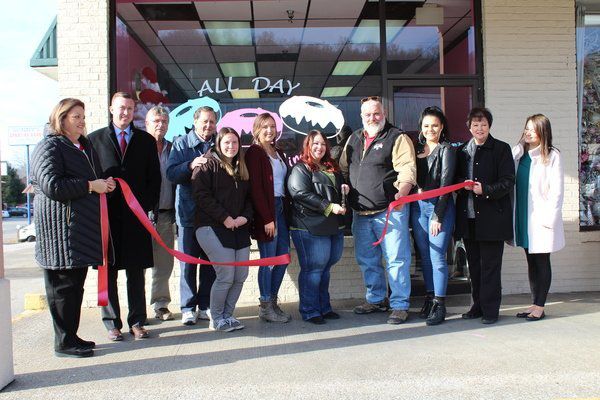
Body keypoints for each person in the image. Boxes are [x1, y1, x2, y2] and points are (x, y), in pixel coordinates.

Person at [31, 98, 116, 357]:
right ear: (61, 117)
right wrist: (91, 185)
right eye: (75, 116)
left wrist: (104, 183)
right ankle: (64, 343)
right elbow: (52, 185)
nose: (81, 121)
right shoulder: (50, 146)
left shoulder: (84, 146)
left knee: (75, 288)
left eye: (83, 116)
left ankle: (71, 336)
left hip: (80, 232)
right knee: (63, 289)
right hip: (60, 234)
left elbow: (92, 178)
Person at [88, 92, 161, 340]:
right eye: (121, 108)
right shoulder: (93, 140)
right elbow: (89, 179)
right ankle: (112, 323)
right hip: (106, 218)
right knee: (107, 271)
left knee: (135, 272)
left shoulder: (146, 141)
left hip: (135, 218)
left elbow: (155, 180)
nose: (125, 113)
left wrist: (145, 207)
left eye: (130, 109)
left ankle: (137, 321)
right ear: (111, 109)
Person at [340, 96, 416, 325]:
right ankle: (375, 299)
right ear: (361, 116)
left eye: (377, 113)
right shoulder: (353, 138)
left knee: (396, 259)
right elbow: (344, 168)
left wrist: (403, 192)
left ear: (384, 114)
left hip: (389, 212)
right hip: (360, 213)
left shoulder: (397, 137)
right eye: (368, 114)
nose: (372, 118)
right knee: (367, 259)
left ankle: (400, 305)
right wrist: (342, 185)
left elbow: (407, 169)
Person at [455, 107, 515, 325]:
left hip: (492, 219)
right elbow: (455, 180)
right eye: (475, 125)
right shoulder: (462, 150)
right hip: (468, 219)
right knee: (475, 267)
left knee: (490, 267)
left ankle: (491, 310)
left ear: (489, 126)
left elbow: (508, 181)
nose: (479, 129)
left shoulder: (500, 149)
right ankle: (477, 306)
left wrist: (486, 190)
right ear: (469, 127)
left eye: (483, 125)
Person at [192, 127, 253, 332]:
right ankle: (216, 317)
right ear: (218, 143)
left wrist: (244, 218)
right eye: (227, 142)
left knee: (240, 275)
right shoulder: (207, 164)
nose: (231, 146)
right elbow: (201, 196)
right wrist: (225, 218)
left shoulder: (241, 167)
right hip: (211, 227)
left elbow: (248, 199)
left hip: (238, 229)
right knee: (226, 274)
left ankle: (228, 315)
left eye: (235, 142)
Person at [287, 130, 349, 324]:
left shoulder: (331, 167)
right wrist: (329, 206)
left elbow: (333, 191)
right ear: (307, 145)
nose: (319, 147)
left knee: (325, 268)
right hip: (309, 226)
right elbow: (299, 192)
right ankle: (310, 310)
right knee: (313, 270)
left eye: (322, 144)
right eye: (315, 143)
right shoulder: (300, 168)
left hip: (332, 226)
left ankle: (324, 307)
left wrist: (344, 187)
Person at [511, 114, 564, 321]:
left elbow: (557, 191)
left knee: (541, 261)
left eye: (533, 129)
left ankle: (540, 306)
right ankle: (534, 304)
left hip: (541, 217)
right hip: (523, 215)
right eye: (526, 128)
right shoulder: (519, 153)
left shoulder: (552, 155)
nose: (528, 132)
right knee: (531, 261)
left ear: (543, 131)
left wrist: (551, 218)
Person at [167, 106, 217, 325]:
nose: (208, 126)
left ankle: (205, 305)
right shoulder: (181, 143)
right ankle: (188, 307)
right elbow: (171, 174)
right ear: (195, 122)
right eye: (204, 121)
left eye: (212, 122)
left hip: (213, 215)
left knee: (209, 262)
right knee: (188, 262)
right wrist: (189, 165)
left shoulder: (219, 143)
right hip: (187, 214)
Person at [410, 107, 457, 326]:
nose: (431, 129)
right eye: (427, 125)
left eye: (435, 125)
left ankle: (440, 304)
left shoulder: (446, 149)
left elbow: (446, 184)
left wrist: (438, 215)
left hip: (440, 208)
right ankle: (429, 297)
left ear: (442, 127)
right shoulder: (415, 149)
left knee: (437, 255)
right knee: (425, 257)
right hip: (418, 208)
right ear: (421, 127)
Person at [246, 113, 291, 323]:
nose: (269, 130)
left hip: (281, 207)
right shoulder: (254, 153)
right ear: (257, 129)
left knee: (282, 258)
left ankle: (272, 301)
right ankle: (265, 305)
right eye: (265, 127)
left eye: (272, 126)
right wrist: (266, 218)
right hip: (267, 208)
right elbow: (255, 189)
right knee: (269, 260)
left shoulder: (278, 152)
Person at [145, 106, 176, 321]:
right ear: (147, 123)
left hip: (165, 215)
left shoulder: (173, 148)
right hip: (140, 215)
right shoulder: (138, 147)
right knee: (137, 264)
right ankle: (137, 311)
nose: (160, 125)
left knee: (163, 264)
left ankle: (161, 305)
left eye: (164, 121)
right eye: (156, 121)